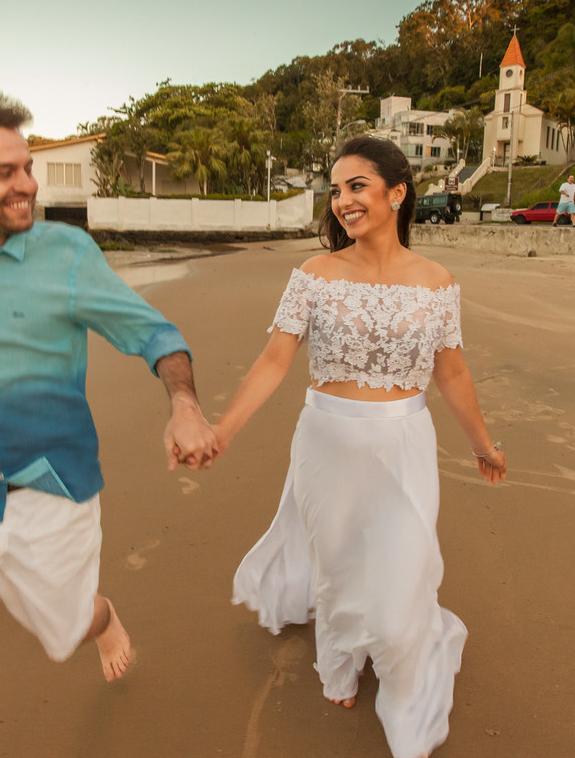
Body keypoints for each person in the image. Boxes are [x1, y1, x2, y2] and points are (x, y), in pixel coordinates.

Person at [0, 83, 217, 758]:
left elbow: (156, 334)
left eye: (27, 167)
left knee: (62, 631)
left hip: (53, 491)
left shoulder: (68, 256)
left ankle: (102, 616)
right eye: (5, 172)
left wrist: (184, 404)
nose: (27, 184)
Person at [214, 136, 507, 758]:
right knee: (338, 564)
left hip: (405, 442)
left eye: (357, 186)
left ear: (397, 193)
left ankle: (403, 690)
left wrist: (482, 443)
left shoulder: (436, 282)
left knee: (403, 570)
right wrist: (225, 428)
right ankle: (340, 660)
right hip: (327, 441)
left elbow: (451, 373)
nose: (343, 201)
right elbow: (273, 362)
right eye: (337, 189)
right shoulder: (315, 276)